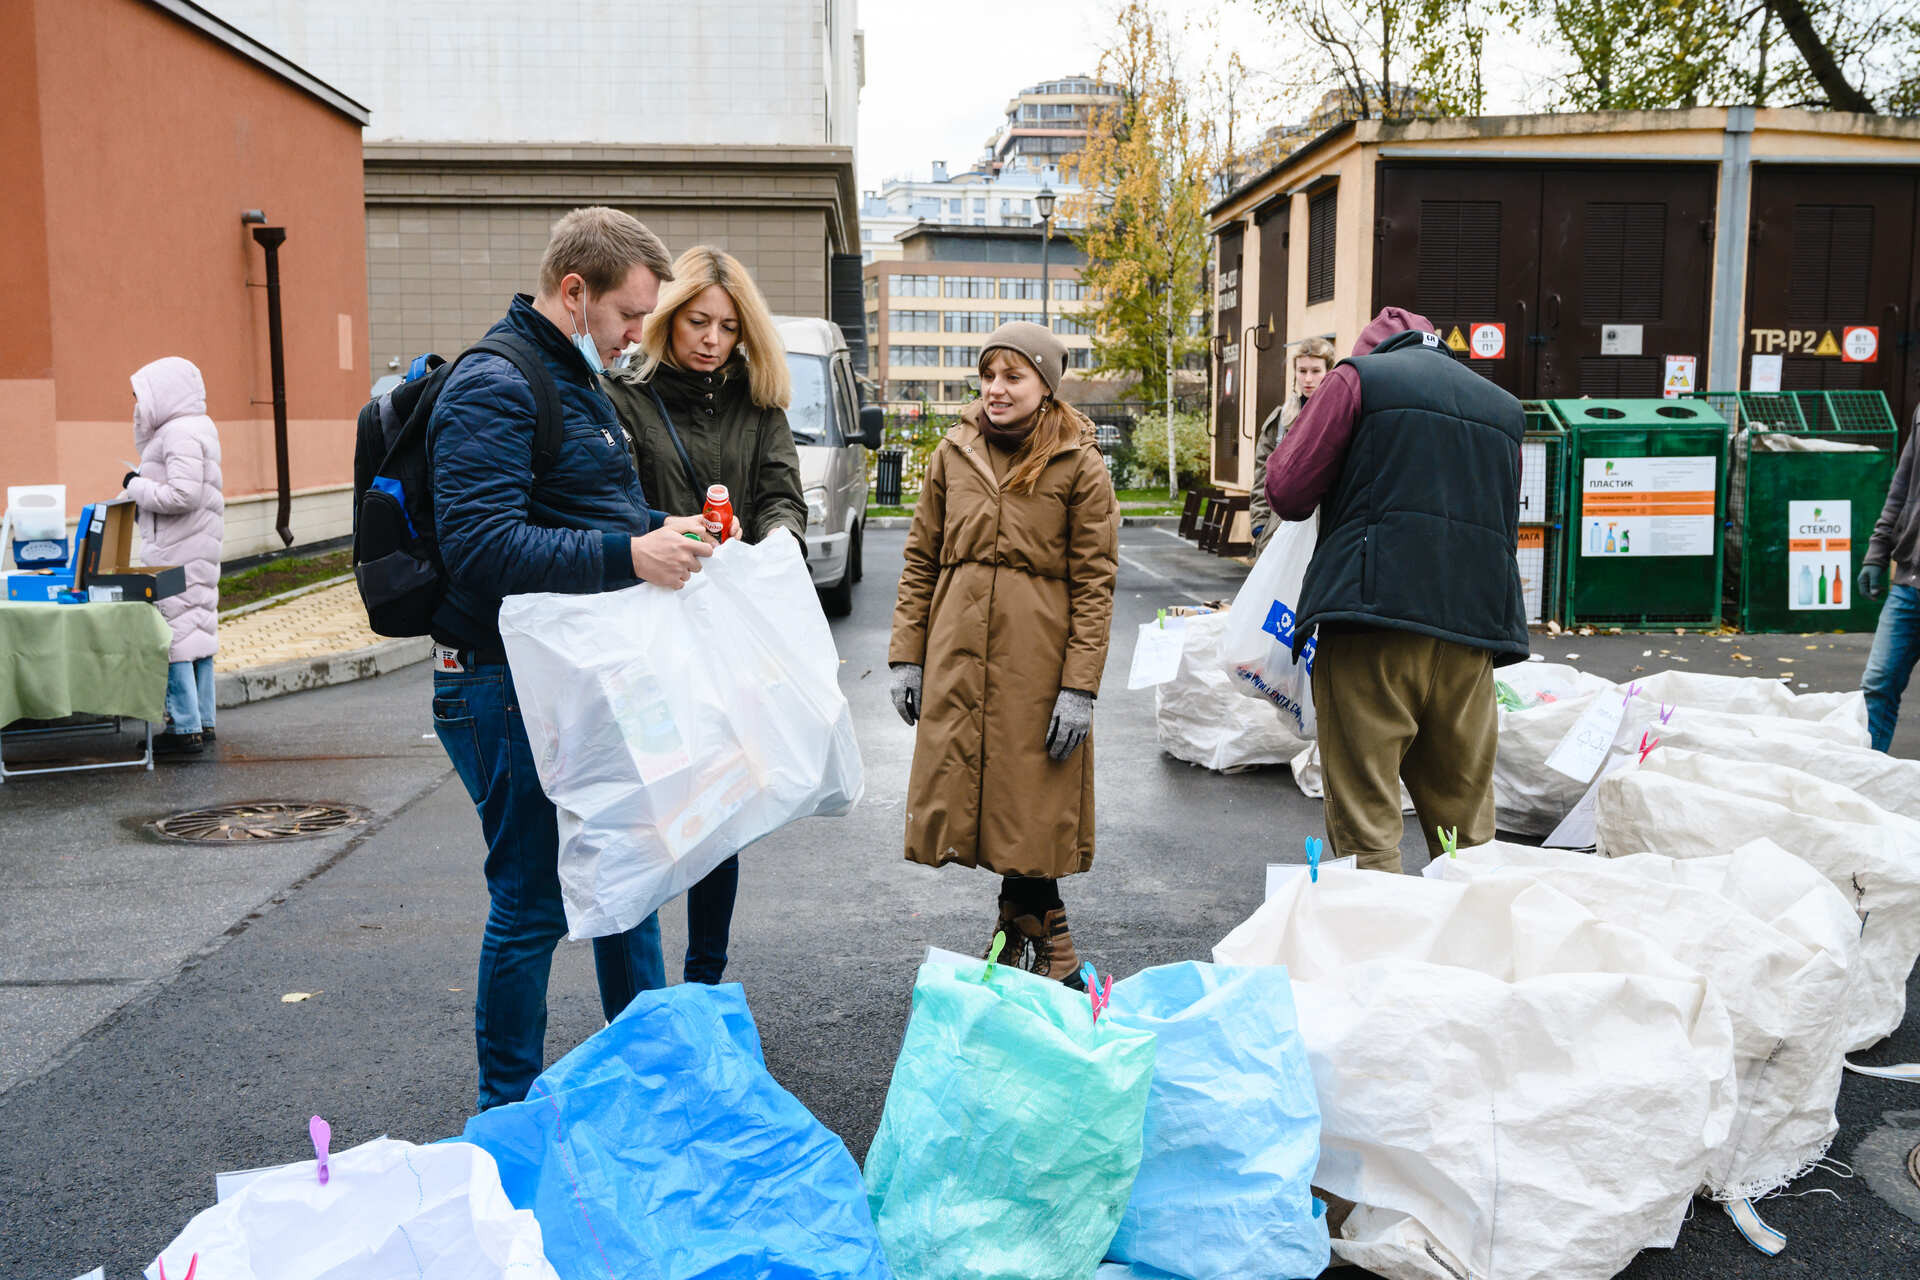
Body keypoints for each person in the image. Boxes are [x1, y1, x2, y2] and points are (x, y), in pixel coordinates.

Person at [429, 206, 716, 1110]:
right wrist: (628, 554)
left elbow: (573, 509)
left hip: (576, 678)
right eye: (631, 315)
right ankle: (502, 1113)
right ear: (574, 292)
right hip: (499, 681)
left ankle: (647, 1087)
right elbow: (480, 546)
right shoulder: (497, 382)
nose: (641, 335)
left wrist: (652, 530)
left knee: (629, 878)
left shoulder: (575, 378)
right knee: (532, 902)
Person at [888, 321, 1119, 986]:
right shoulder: (952, 452)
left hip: (1036, 668)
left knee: (1030, 813)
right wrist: (908, 656)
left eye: (1012, 376)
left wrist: (1080, 686)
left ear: (1045, 386)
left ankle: (1049, 949)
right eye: (988, 375)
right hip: (961, 662)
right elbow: (920, 560)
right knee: (989, 811)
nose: (995, 389)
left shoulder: (1080, 464)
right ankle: (1031, 940)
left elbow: (1095, 584)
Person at [602, 245, 806, 985]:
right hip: (646, 631)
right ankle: (642, 1002)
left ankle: (704, 985)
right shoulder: (625, 395)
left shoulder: (759, 404)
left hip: (726, 636)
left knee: (719, 814)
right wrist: (668, 529)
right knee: (647, 809)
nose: (712, 339)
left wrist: (774, 539)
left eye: (726, 326)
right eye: (697, 321)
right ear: (666, 317)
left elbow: (784, 492)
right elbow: (609, 502)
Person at [1264, 306, 1528, 874]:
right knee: (1465, 831)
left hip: (1371, 624)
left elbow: (1287, 490)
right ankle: (1470, 948)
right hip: (1473, 632)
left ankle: (1382, 950)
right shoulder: (1502, 407)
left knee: (1368, 824)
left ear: (1371, 350)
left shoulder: (1358, 380)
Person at [121, 357, 224, 755]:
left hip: (177, 546)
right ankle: (203, 719)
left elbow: (183, 494)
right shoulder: (195, 428)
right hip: (196, 543)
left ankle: (183, 728)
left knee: (174, 634)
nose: (136, 404)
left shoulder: (178, 433)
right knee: (197, 627)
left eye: (140, 395)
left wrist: (135, 486)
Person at [1858, 405, 1920, 752]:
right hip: (1910, 582)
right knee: (1877, 686)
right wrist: (1878, 551)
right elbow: (1901, 488)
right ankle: (1866, 784)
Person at [1248, 337, 1334, 556]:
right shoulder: (1281, 419)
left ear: (1329, 371)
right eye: (1301, 370)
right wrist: (1259, 524)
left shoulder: (1338, 417)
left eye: (1316, 371)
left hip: (1323, 530)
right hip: (1280, 528)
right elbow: (1262, 473)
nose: (1308, 379)